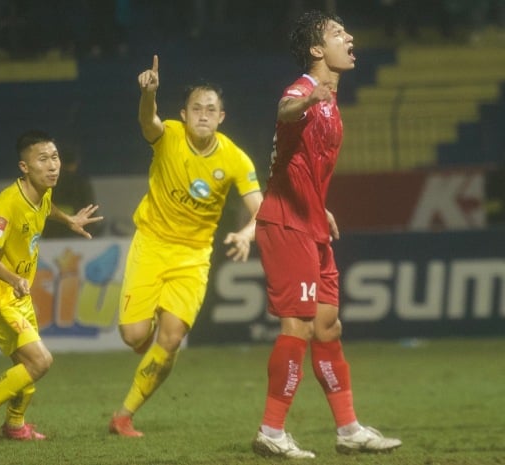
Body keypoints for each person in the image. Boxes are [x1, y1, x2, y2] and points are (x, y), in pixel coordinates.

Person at [251, 10, 403, 459]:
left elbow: (295, 161)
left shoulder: (330, 101)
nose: (349, 36)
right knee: (296, 325)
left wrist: (322, 205)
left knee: (327, 325)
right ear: (317, 50)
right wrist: (307, 98)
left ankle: (349, 429)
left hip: (312, 221)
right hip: (286, 224)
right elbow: (284, 108)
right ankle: (272, 432)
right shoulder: (304, 89)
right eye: (338, 33)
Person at [108, 55, 263, 437]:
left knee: (172, 337)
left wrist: (247, 233)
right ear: (184, 113)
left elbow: (263, 210)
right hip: (152, 244)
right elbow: (149, 121)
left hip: (193, 257)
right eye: (197, 108)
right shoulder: (169, 136)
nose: (204, 115)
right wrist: (149, 94)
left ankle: (123, 415)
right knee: (133, 337)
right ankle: (150, 332)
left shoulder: (235, 159)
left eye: (211, 109)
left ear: (222, 117)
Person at [0, 130, 102, 445]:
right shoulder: (6, 205)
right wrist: (15, 279)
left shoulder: (43, 191)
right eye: (43, 159)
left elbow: (46, 209)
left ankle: (14, 425)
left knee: (27, 367)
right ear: (24, 167)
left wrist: (69, 221)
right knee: (39, 361)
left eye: (55, 157)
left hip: (16, 295)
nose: (52, 166)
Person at [41, 143, 100, 239]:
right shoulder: (81, 182)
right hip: (77, 230)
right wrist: (92, 230)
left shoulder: (49, 181)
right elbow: (90, 208)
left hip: (53, 230)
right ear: (76, 162)